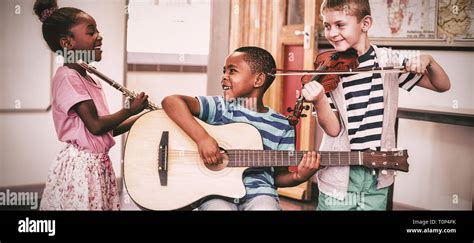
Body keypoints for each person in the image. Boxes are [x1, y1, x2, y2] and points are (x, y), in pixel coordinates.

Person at [301, 0, 451, 210]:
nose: (332, 33)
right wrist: (319, 101)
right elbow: (334, 130)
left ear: (365, 23)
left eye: (340, 25)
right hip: (340, 172)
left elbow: (442, 85)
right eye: (327, 26)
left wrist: (429, 60)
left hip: (377, 172)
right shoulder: (330, 70)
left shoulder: (388, 61)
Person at [162, 46, 319, 210]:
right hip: (216, 190)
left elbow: (278, 176)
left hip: (259, 193)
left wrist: (299, 176)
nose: (224, 77)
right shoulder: (221, 107)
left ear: (258, 80)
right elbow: (172, 101)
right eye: (224, 71)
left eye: (232, 71)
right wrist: (202, 139)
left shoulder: (282, 125)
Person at [35, 0, 149, 210]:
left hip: (97, 166)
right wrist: (128, 109)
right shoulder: (68, 77)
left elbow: (106, 131)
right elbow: (95, 125)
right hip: (81, 169)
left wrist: (141, 117)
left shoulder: (89, 78)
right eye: (91, 32)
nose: (99, 36)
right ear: (67, 43)